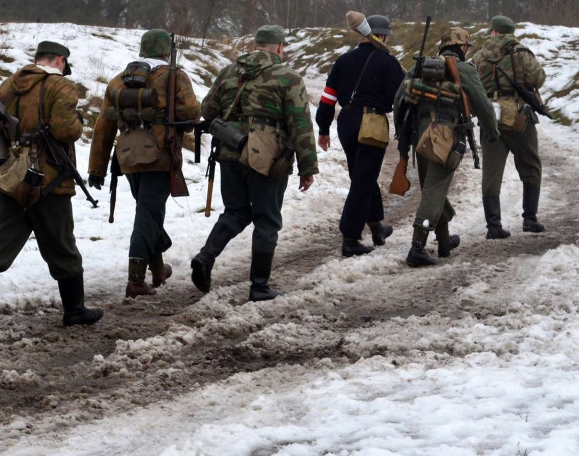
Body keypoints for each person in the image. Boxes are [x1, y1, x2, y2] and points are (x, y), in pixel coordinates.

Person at [0, 41, 103, 328]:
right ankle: (75, 310)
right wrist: (79, 120)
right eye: (64, 64)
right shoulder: (61, 87)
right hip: (51, 178)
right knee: (62, 245)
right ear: (59, 60)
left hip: (14, 177)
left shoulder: (9, 84)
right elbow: (66, 129)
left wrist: (4, 163)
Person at [189, 25, 318, 299]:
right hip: (267, 157)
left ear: (256, 44)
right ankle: (259, 286)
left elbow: (207, 110)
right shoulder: (288, 77)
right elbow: (301, 125)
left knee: (236, 211)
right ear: (280, 47)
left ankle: (205, 256)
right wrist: (308, 168)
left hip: (229, 150)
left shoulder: (229, 71)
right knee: (267, 220)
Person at [88, 29, 201, 298]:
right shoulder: (173, 76)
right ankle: (135, 281)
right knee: (148, 216)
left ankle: (158, 270)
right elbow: (192, 112)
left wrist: (96, 168)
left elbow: (103, 126)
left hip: (126, 156)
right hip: (159, 155)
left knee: (149, 213)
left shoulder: (118, 81)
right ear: (165, 52)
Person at [394, 28, 498, 266]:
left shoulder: (419, 67)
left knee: (431, 186)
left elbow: (399, 97)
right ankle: (417, 247)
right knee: (435, 187)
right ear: (463, 48)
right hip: (446, 134)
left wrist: (402, 134)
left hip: (419, 133)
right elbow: (483, 104)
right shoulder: (465, 69)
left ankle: (443, 242)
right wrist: (492, 133)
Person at [315, 15, 404, 257]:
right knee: (363, 179)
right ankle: (350, 237)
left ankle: (376, 226)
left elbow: (328, 98)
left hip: (346, 122)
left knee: (362, 175)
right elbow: (400, 100)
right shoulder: (388, 62)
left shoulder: (343, 60)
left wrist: (323, 129)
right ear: (382, 35)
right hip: (372, 123)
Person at [472, 16, 548, 238]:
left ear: (494, 32)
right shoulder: (522, 53)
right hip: (519, 116)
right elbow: (539, 79)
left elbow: (472, 84)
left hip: (490, 116)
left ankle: (493, 226)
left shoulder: (479, 56)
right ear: (511, 33)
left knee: (491, 171)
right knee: (531, 165)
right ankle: (529, 219)